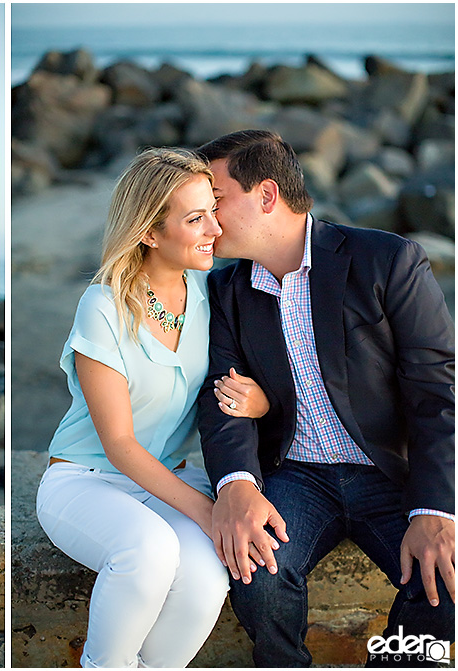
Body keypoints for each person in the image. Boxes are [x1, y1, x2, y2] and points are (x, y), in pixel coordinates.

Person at [197, 129, 455, 667]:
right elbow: (221, 399)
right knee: (257, 574)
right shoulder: (225, 292)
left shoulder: (387, 260)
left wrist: (435, 509)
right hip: (295, 475)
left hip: (390, 469)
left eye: (215, 201)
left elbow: (439, 389)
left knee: (445, 586)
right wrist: (236, 484)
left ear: (267, 196)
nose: (208, 219)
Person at [36, 148, 271, 668]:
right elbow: (119, 444)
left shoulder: (215, 292)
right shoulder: (103, 306)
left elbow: (265, 375)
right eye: (194, 218)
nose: (215, 227)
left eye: (212, 207)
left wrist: (262, 400)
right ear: (149, 232)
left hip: (169, 478)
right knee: (149, 553)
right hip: (86, 480)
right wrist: (211, 512)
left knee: (211, 572)